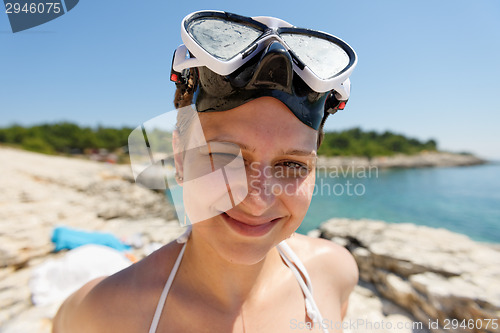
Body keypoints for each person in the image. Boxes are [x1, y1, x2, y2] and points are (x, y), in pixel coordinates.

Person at [53, 10, 358, 332]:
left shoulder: (335, 273)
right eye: (223, 156)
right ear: (180, 157)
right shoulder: (99, 314)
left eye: (292, 165)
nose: (257, 201)